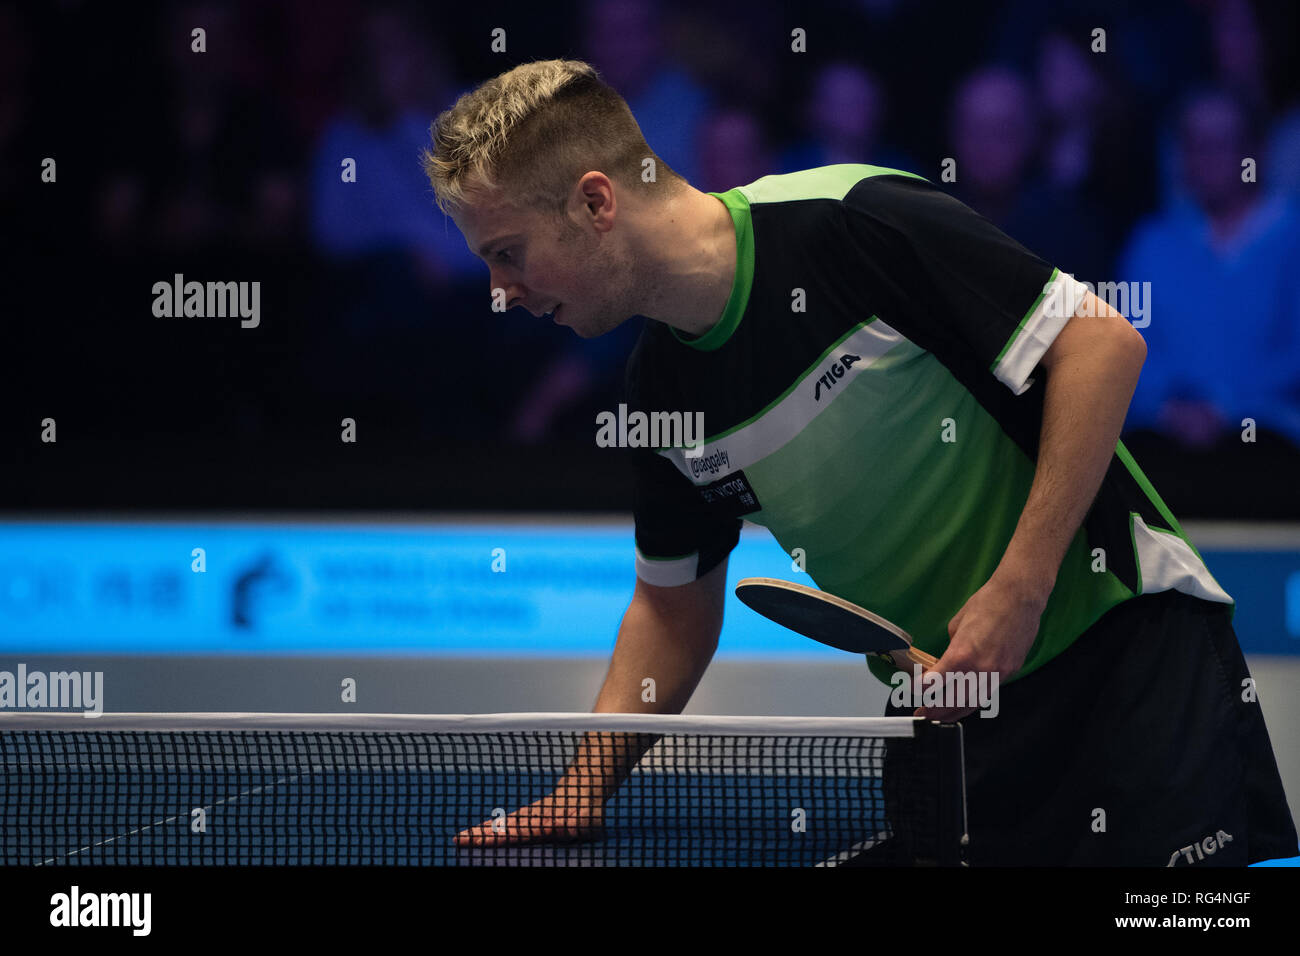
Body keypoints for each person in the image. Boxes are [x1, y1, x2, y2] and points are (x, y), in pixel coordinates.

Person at [420, 60, 1297, 865]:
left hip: (1126, 656)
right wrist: (581, 791)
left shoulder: (847, 220)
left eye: (507, 253)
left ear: (596, 202)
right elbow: (671, 608)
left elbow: (1102, 345)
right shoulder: (659, 392)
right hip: (947, 719)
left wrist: (1019, 588)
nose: (503, 292)